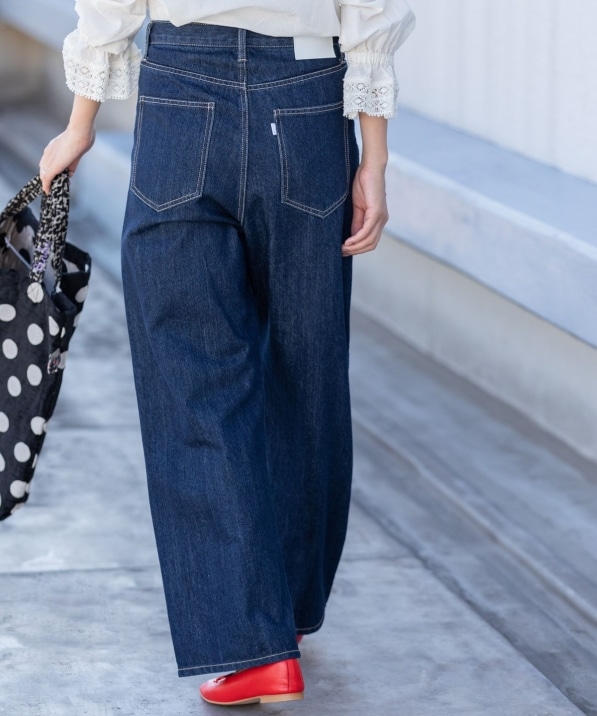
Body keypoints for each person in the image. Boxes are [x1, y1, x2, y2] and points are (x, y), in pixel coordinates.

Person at [40, 0, 415, 706]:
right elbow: (370, 9)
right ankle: (284, 612)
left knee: (191, 379)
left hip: (182, 94)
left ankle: (251, 643)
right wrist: (375, 159)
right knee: (304, 371)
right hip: (308, 98)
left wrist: (79, 124)